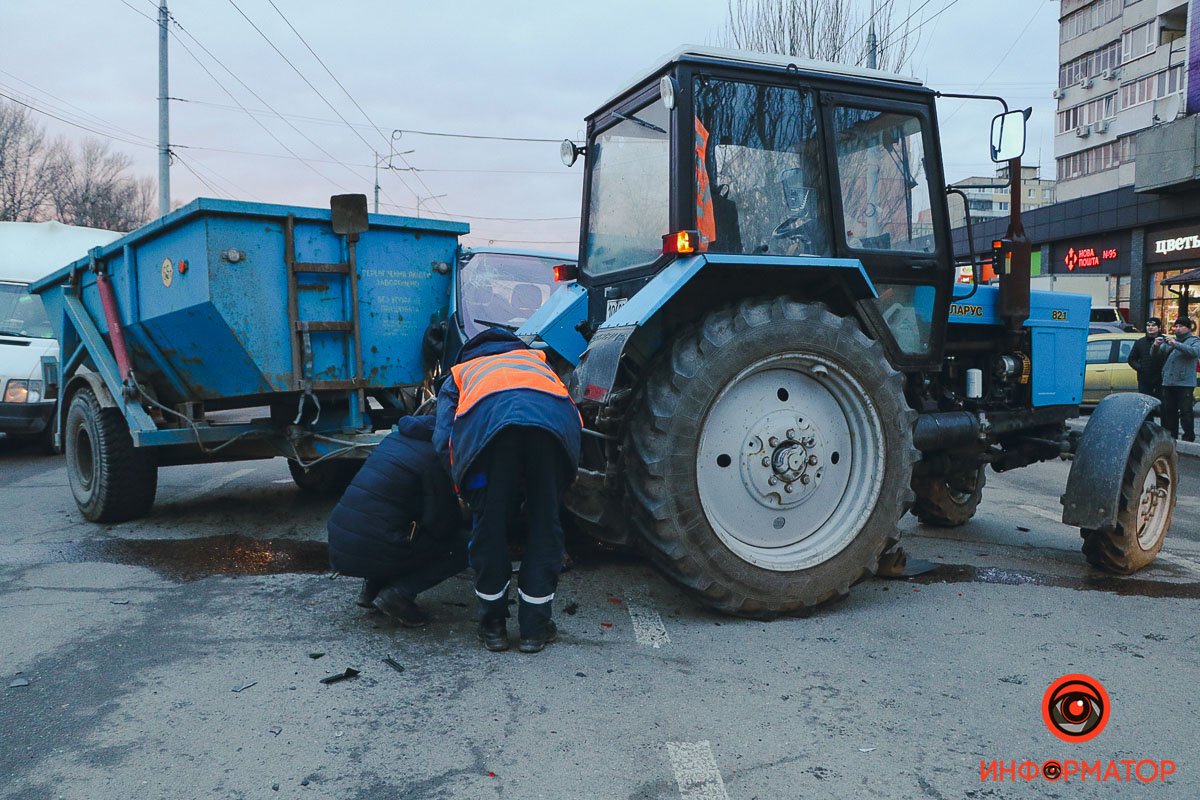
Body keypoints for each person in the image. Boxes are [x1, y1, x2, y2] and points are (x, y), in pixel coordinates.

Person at [434, 328, 581, 654]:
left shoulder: (461, 373)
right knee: (546, 527)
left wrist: (466, 490)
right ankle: (535, 629)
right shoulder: (537, 362)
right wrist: (558, 483)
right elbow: (570, 413)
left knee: (490, 529)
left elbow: (444, 438)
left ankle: (493, 628)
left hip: (490, 439)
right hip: (550, 433)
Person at [326, 415, 465, 626]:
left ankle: (370, 590)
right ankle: (399, 595)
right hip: (372, 548)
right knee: (463, 546)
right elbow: (441, 525)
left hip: (339, 544)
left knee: (389, 523)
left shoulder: (393, 440)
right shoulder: (434, 457)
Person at [1157, 316, 1200, 442]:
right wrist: (1156, 346)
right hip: (1168, 382)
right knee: (1169, 411)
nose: (1178, 329)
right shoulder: (1171, 341)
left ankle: (1188, 437)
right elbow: (1157, 355)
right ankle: (1172, 436)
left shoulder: (1194, 340)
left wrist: (1176, 344)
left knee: (1186, 411)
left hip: (1184, 382)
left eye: (1182, 326)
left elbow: (1194, 352)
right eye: (1177, 326)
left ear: (1188, 328)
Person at [1127, 317, 1167, 400]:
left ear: (1159, 328)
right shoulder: (1140, 342)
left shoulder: (1165, 341)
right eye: (1148, 325)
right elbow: (1131, 359)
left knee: (1162, 402)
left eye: (1153, 325)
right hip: (1144, 379)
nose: (1150, 327)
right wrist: (1140, 368)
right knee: (1145, 402)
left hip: (1162, 378)